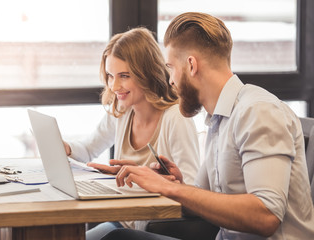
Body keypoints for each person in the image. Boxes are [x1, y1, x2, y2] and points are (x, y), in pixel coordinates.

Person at [103, 12, 314, 240]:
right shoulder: (219, 120)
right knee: (115, 234)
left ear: (191, 65)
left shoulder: (257, 111)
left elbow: (266, 216)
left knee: (117, 238)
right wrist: (167, 182)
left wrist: (173, 189)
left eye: (171, 68)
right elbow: (203, 203)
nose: (170, 80)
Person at [62, 27, 201, 239]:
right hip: (122, 222)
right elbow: (89, 149)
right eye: (110, 75)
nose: (115, 86)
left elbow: (191, 189)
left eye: (124, 76)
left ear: (147, 73)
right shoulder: (122, 112)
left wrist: (143, 178)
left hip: (155, 228)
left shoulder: (176, 118)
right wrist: (67, 148)